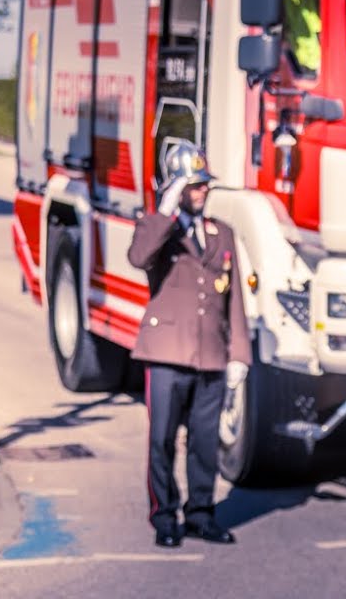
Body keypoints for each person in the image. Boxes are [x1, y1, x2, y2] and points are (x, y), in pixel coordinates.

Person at [127, 139, 251, 547]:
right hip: (166, 353)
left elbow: (233, 298)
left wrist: (239, 357)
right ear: (177, 189)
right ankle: (164, 517)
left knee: (204, 442)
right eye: (194, 186)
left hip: (210, 355)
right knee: (162, 439)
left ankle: (201, 513)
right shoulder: (157, 230)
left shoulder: (222, 233)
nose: (202, 192)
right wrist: (165, 208)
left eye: (203, 186)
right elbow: (139, 256)